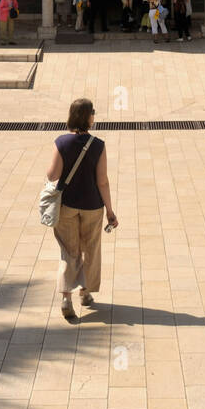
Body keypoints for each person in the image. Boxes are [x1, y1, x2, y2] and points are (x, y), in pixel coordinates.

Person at [45, 97, 118, 319]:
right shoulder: (98, 145)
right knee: (90, 249)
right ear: (88, 117)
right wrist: (110, 211)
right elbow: (102, 181)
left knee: (69, 252)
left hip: (66, 205)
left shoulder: (61, 142)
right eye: (93, 112)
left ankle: (66, 297)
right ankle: (85, 294)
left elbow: (52, 175)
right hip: (92, 207)